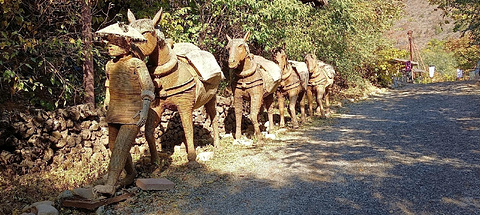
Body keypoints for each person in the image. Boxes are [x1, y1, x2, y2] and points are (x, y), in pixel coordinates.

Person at [93, 22, 155, 195]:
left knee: (120, 147)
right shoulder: (109, 65)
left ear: (126, 45)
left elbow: (148, 87)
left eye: (114, 43)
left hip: (132, 113)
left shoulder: (137, 64)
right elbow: (108, 83)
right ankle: (130, 173)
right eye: (109, 43)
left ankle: (110, 185)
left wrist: (144, 109)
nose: (109, 47)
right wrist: (106, 99)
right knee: (114, 147)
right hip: (114, 110)